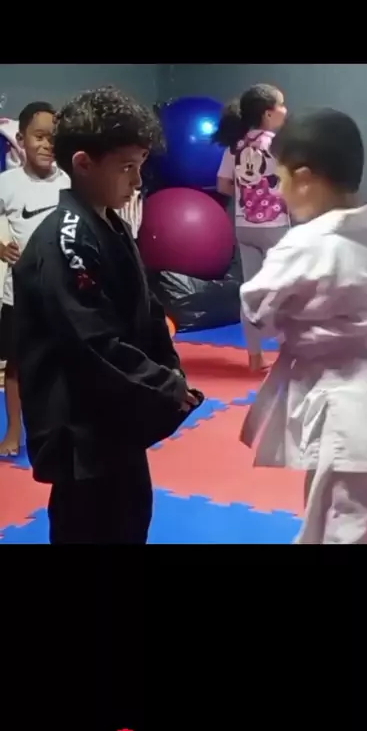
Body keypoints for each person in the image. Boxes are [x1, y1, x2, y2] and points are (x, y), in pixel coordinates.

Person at [239, 109, 367, 544]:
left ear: (305, 178)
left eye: (280, 179)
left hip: (346, 408)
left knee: (347, 527)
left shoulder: (303, 244)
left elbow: (256, 309)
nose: (279, 190)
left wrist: (296, 322)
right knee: (346, 516)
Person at [13, 86, 203, 544]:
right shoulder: (66, 239)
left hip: (115, 419)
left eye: (141, 165)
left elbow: (147, 307)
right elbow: (91, 341)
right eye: (126, 167)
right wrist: (163, 384)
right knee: (90, 528)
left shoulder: (111, 223)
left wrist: (169, 366)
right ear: (83, 163)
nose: (138, 181)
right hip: (80, 431)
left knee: (131, 518)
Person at [0, 101, 69, 457]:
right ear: (22, 139)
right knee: (16, 365)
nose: (46, 145)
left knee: (63, 361)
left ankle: (61, 427)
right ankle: (14, 429)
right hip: (20, 294)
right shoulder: (7, 183)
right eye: (39, 136)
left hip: (63, 293)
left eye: (52, 138)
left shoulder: (70, 181)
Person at [213, 84, 289, 372]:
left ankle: (255, 357)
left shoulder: (235, 145)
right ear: (268, 114)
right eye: (282, 105)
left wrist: (248, 194)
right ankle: (289, 354)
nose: (286, 110)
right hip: (275, 227)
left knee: (252, 292)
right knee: (285, 291)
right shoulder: (277, 145)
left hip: (245, 225)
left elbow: (223, 184)